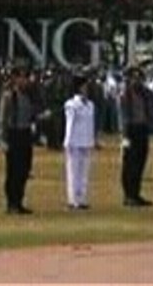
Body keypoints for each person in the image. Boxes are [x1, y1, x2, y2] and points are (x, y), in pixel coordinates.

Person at [0, 70, 45, 214]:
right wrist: (2, 140)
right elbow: (2, 119)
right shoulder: (9, 96)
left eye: (26, 78)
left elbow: (31, 115)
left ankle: (19, 201)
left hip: (25, 134)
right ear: (15, 79)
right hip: (13, 134)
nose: (25, 81)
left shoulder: (29, 96)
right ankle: (11, 203)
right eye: (21, 78)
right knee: (13, 171)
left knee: (25, 169)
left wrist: (40, 117)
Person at [119, 66, 153, 207]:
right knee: (129, 164)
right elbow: (123, 117)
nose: (138, 80)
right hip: (130, 131)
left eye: (140, 78)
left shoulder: (144, 93)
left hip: (142, 129)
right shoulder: (125, 94)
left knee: (140, 162)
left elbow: (152, 103)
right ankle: (128, 195)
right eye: (134, 77)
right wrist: (124, 136)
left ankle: (136, 193)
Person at [63, 74, 96, 210]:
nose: (86, 88)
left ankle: (82, 198)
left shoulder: (90, 105)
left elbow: (91, 124)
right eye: (84, 86)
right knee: (73, 171)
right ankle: (73, 200)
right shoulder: (71, 104)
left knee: (84, 172)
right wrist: (68, 141)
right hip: (74, 142)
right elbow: (69, 124)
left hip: (86, 140)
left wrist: (92, 140)